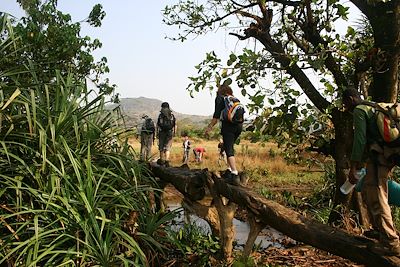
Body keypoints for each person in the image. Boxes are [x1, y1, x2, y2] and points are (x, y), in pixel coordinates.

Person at [343, 88, 400, 256]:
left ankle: (391, 243)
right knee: (369, 189)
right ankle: (379, 231)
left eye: (345, 102)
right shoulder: (373, 107)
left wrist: (354, 166)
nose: (345, 107)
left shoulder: (360, 110)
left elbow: (360, 140)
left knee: (376, 194)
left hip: (380, 157)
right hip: (384, 155)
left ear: (352, 99)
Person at [205, 84, 243, 185]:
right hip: (239, 126)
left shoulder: (220, 98)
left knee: (229, 149)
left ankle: (235, 175)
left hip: (228, 126)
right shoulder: (234, 98)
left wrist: (209, 127)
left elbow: (216, 115)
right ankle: (230, 170)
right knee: (227, 147)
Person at [156, 102, 176, 167]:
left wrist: (157, 133)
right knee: (168, 148)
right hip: (169, 133)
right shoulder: (172, 116)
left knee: (161, 147)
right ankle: (167, 161)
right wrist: (174, 133)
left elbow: (158, 125)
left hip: (162, 132)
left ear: (162, 107)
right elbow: (174, 125)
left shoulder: (160, 115)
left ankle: (162, 160)